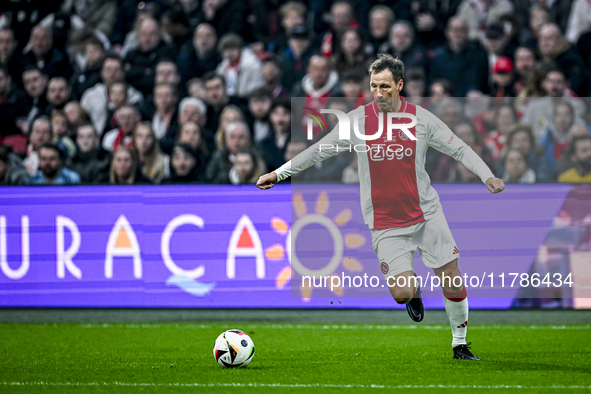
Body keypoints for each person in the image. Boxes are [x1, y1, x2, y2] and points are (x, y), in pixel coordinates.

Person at [257, 54, 505, 360]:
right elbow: (318, 151)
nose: (378, 92)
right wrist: (278, 174)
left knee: (451, 277)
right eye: (373, 86)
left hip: (427, 214)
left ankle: (460, 343)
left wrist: (487, 176)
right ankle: (414, 293)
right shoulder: (358, 122)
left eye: (385, 86)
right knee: (401, 292)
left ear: (399, 85)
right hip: (386, 223)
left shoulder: (421, 119)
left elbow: (459, 148)